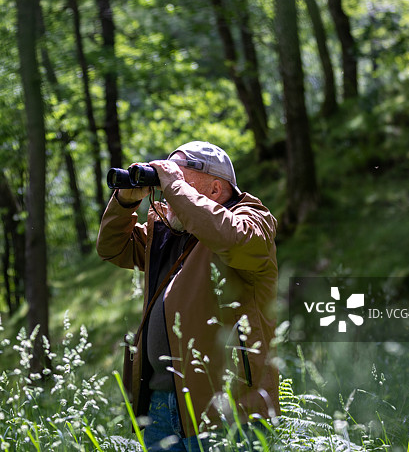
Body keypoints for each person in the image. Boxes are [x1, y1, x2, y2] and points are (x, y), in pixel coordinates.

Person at [96, 141, 280, 451]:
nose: (168, 190)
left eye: (179, 178)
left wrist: (175, 187)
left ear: (214, 188)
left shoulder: (252, 218)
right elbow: (112, 247)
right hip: (159, 406)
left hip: (224, 406)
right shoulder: (167, 230)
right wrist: (125, 202)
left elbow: (231, 238)